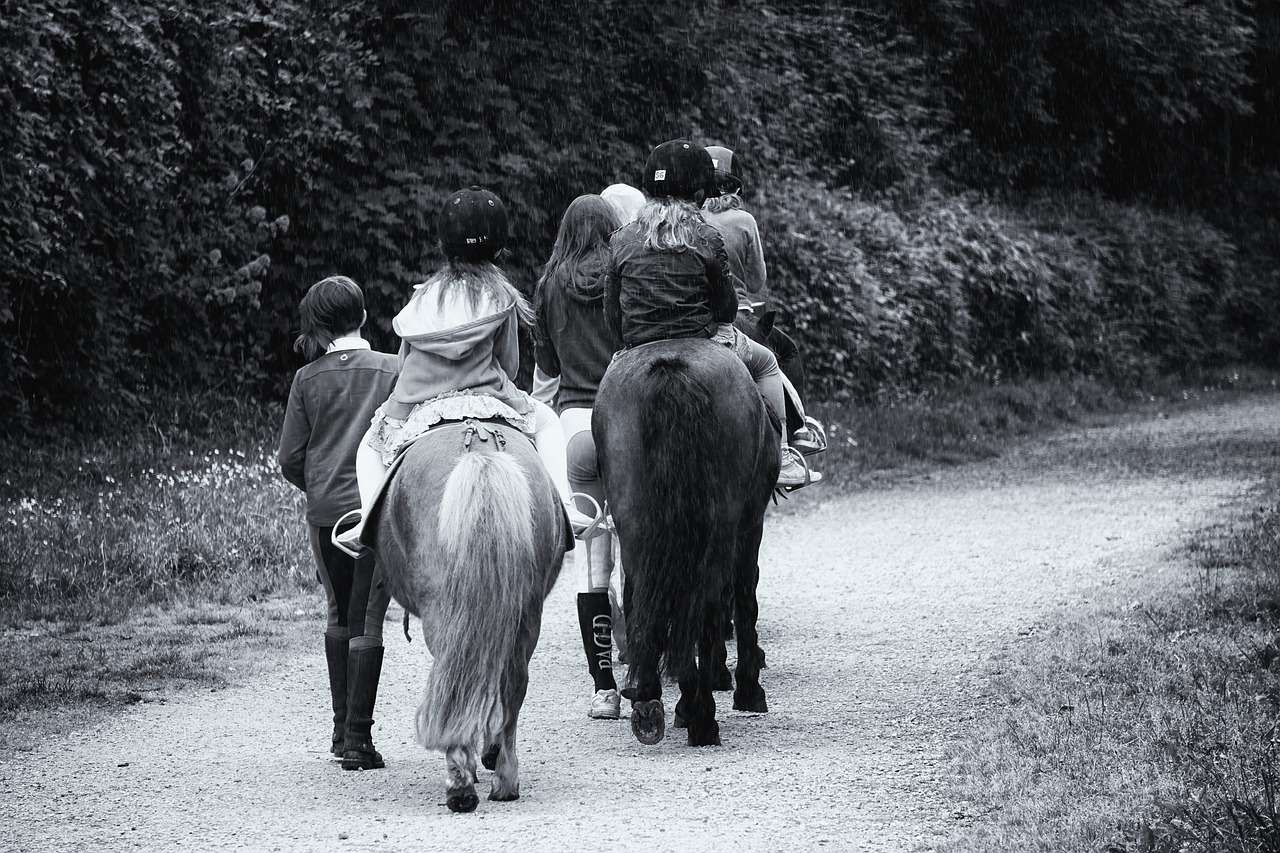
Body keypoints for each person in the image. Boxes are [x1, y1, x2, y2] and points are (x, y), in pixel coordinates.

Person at [332, 186, 596, 557]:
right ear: (500, 247)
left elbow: (406, 361)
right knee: (550, 423)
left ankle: (365, 523)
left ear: (443, 244)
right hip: (487, 397)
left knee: (368, 447)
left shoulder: (422, 300)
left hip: (420, 403)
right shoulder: (500, 298)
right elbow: (510, 364)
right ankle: (567, 508)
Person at [604, 139, 820, 487]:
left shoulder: (621, 238)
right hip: (701, 339)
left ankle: (607, 480)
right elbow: (727, 308)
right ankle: (781, 457)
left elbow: (613, 317)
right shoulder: (705, 234)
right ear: (699, 190)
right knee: (768, 363)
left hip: (638, 347)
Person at [276, 275, 398, 771]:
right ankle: (358, 739)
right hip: (375, 513)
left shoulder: (306, 380)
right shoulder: (393, 369)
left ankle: (339, 729)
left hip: (326, 514)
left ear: (318, 327)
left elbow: (290, 457)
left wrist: (320, 487)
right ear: (364, 317)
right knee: (368, 616)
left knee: (337, 613)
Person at [535, 194, 626, 719]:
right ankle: (642, 668)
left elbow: (545, 380)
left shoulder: (549, 287)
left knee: (592, 561)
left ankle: (603, 687)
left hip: (575, 426)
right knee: (636, 552)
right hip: (626, 412)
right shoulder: (624, 278)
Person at [702, 144, 827, 456]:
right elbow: (758, 281)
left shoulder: (687, 219)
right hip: (736, 315)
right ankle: (796, 432)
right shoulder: (744, 221)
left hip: (695, 315)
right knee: (785, 351)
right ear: (737, 186)